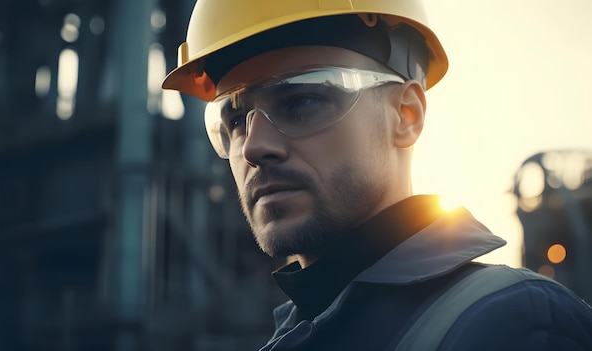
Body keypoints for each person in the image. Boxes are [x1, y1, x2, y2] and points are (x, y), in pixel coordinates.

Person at [162, 1, 592, 350]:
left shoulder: (514, 326)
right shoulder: (291, 335)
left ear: (406, 115)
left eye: (302, 102)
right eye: (235, 120)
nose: (253, 147)